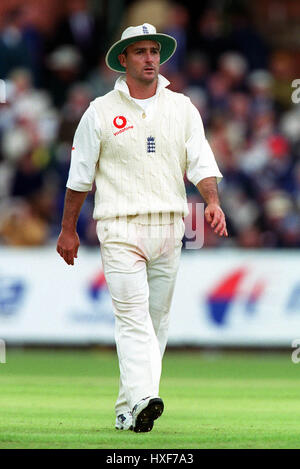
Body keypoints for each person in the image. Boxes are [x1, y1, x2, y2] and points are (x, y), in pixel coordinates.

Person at [56, 23, 227, 433]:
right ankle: (147, 398)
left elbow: (201, 163)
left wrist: (213, 202)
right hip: (119, 227)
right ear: (123, 59)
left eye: (154, 51)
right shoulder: (98, 111)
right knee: (133, 319)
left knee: (156, 323)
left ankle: (127, 407)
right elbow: (80, 176)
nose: (150, 58)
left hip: (170, 226)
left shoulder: (182, 107)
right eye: (141, 52)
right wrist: (68, 229)